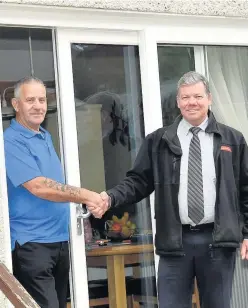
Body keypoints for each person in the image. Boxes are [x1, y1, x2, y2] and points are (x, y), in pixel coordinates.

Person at [99, 71, 248, 308]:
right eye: (186, 97)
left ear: (209, 98)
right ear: (178, 102)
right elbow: (138, 181)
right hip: (175, 242)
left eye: (197, 96)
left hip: (217, 242)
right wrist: (110, 197)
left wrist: (247, 232)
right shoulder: (159, 141)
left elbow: (245, 189)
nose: (192, 102)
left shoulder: (233, 139)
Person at [4, 77, 108, 308]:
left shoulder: (44, 136)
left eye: (42, 100)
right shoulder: (10, 141)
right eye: (30, 100)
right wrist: (87, 195)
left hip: (59, 241)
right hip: (31, 244)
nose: (38, 105)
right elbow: (39, 186)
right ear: (15, 104)